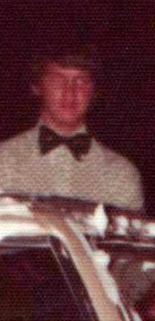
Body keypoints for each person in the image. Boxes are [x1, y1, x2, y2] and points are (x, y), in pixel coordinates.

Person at [0, 42, 144, 209]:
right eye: (58, 80)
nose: (70, 93)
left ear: (94, 90)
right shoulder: (3, 162)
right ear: (36, 86)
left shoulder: (121, 174)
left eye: (81, 81)